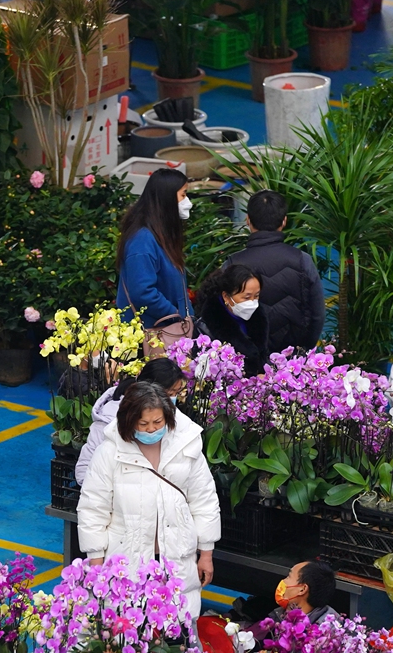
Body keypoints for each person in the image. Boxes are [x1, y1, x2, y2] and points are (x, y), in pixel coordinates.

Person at [79, 381, 220, 618]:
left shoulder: (187, 445)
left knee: (178, 632)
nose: (152, 430)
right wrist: (96, 563)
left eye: (158, 422)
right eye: (143, 424)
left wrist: (206, 553)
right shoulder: (109, 452)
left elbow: (204, 500)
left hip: (178, 559)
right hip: (126, 561)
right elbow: (93, 508)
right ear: (129, 421)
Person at [223, 190, 324, 354]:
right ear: (284, 221)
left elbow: (219, 315)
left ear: (248, 220)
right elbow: (317, 315)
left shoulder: (232, 264)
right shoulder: (302, 260)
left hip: (244, 363)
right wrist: (304, 349)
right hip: (292, 363)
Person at [75, 358, 188, 485]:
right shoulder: (108, 421)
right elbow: (84, 472)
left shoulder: (175, 418)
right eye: (143, 424)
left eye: (176, 393)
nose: (151, 429)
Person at [116, 168, 193, 353]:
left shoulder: (160, 233)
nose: (188, 202)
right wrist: (174, 315)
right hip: (151, 335)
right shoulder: (142, 241)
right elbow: (142, 292)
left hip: (171, 329)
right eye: (183, 195)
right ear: (166, 199)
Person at [195, 263, 270, 376]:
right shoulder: (206, 326)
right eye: (247, 297)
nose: (252, 302)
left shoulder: (259, 317)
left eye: (256, 296)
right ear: (226, 296)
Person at [268, 560, 338, 624]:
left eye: (289, 576)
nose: (283, 581)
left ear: (302, 589)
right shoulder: (279, 616)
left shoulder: (322, 634)